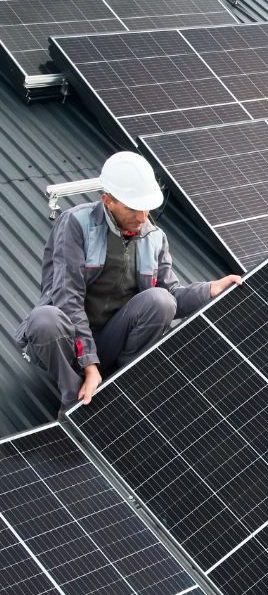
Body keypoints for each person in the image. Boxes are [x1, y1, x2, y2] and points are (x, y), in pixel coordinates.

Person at [16, 151, 242, 411]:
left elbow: (171, 296)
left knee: (161, 300)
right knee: (44, 319)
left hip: (111, 340)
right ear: (108, 201)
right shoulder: (76, 224)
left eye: (146, 207)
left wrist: (211, 289)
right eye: (133, 208)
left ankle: (124, 386)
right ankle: (74, 403)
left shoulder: (155, 238)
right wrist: (89, 365)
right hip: (68, 343)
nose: (142, 216)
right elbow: (69, 298)